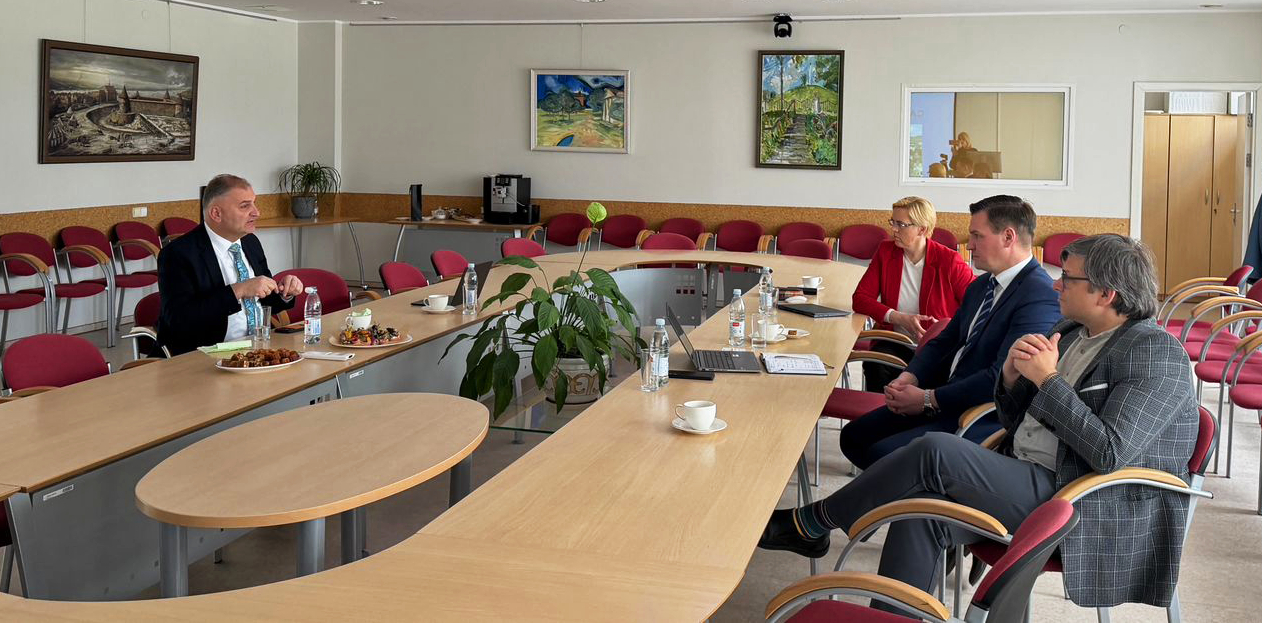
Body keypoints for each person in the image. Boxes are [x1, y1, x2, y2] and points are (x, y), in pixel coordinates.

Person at [759, 234, 1198, 613]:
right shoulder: (1072, 331)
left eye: (1069, 279)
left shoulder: (1154, 352)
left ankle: (814, 522)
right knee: (920, 510)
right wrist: (1012, 381)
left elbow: (1109, 452)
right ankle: (894, 617)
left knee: (936, 450)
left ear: (1107, 294)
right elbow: (1020, 421)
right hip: (1029, 470)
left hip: (1084, 498)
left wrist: (1047, 380)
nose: (1057, 284)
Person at [839, 195, 1060, 470]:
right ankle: (896, 489)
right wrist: (909, 376)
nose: (970, 244)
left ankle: (905, 490)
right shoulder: (983, 285)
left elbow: (999, 378)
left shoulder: (1039, 295)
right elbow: (944, 341)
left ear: (1008, 237)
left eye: (977, 236)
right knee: (853, 437)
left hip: (977, 414)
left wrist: (927, 399)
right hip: (944, 394)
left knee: (883, 455)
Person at [156, 174, 303, 356]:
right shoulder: (178, 254)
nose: (256, 212)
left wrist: (285, 292)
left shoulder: (250, 242)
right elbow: (180, 320)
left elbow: (265, 300)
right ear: (216, 214)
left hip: (258, 349)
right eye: (245, 206)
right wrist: (239, 290)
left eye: (254, 203)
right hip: (206, 354)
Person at [852, 197, 975, 391]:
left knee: (933, 382)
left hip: (937, 348)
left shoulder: (949, 260)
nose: (894, 229)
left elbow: (976, 305)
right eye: (893, 222)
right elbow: (860, 299)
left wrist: (949, 331)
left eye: (901, 224)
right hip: (894, 340)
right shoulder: (886, 251)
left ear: (922, 229)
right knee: (875, 365)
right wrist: (899, 317)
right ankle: (879, 411)